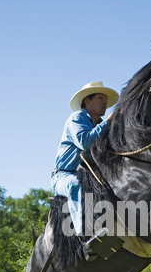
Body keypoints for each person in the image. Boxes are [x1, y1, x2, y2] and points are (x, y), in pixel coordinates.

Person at [51, 81, 119, 258]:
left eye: (105, 99)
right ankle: (85, 239)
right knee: (75, 185)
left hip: (90, 175)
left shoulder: (103, 124)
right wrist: (109, 123)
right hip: (64, 175)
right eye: (99, 98)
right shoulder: (76, 118)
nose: (104, 102)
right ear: (86, 102)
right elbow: (85, 143)